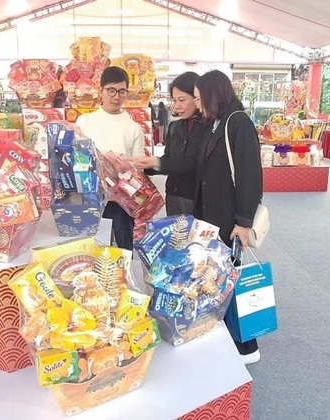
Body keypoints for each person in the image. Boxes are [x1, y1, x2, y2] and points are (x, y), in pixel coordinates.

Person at [193, 70, 262, 364]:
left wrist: (243, 222)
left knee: (232, 282)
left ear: (212, 95)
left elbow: (249, 175)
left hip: (230, 219)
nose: (197, 105)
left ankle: (247, 347)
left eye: (199, 99)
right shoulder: (216, 123)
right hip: (213, 217)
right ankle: (225, 338)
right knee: (218, 279)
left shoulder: (239, 123)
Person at [76, 66, 145, 250]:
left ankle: (126, 276)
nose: (116, 96)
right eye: (111, 90)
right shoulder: (85, 121)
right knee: (92, 246)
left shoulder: (134, 128)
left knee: (124, 247)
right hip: (90, 194)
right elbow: (76, 158)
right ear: (101, 91)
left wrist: (123, 166)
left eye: (121, 91)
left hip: (122, 197)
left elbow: (139, 167)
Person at [133, 72, 211, 215]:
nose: (177, 106)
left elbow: (194, 164)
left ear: (197, 97)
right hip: (173, 196)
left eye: (182, 100)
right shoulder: (175, 127)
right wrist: (146, 165)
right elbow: (169, 160)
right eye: (174, 101)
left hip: (198, 199)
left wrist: (157, 162)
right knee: (175, 236)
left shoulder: (210, 128)